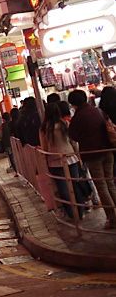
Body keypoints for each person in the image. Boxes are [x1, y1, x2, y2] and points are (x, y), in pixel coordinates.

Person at [68, 89, 116, 229]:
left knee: (101, 186)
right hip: (107, 151)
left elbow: (73, 136)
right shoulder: (97, 111)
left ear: (73, 104)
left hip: (93, 155)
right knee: (110, 183)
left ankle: (112, 218)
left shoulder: (78, 117)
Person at [40, 102, 89, 220]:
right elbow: (73, 142)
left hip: (54, 161)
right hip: (71, 158)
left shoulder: (44, 129)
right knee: (75, 185)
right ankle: (80, 211)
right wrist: (78, 156)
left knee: (63, 189)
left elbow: (44, 147)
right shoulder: (65, 124)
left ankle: (72, 214)